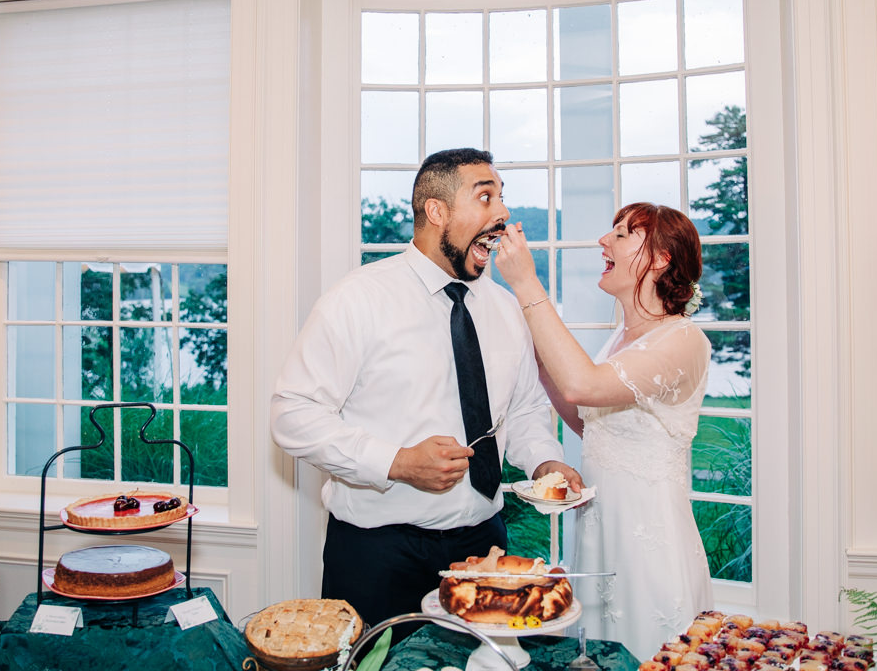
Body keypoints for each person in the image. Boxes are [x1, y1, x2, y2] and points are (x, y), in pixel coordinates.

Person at [271, 147, 582, 631]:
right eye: (485, 197)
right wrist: (395, 461)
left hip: (485, 549)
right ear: (437, 211)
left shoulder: (505, 309)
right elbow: (292, 415)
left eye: (502, 198)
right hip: (377, 555)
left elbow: (522, 410)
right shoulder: (356, 300)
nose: (502, 214)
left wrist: (544, 459)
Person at [494, 202, 713, 660]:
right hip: (598, 534)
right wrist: (541, 362)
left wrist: (525, 283)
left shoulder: (683, 340)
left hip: (648, 542)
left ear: (659, 259)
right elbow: (591, 421)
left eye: (621, 233)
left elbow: (584, 384)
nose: (603, 241)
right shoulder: (621, 337)